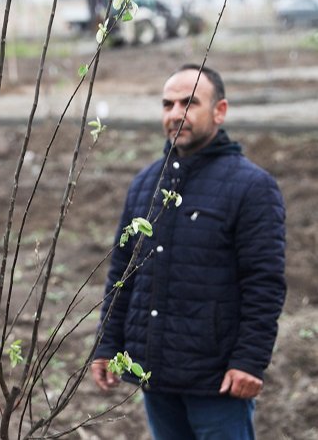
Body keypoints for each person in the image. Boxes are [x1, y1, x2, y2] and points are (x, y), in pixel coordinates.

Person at [91, 64, 286, 439]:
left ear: (220, 110)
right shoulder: (145, 184)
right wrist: (108, 344)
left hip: (218, 381)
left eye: (189, 103)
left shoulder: (253, 188)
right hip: (156, 376)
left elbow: (265, 283)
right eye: (168, 104)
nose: (176, 113)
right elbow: (122, 273)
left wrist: (249, 361)